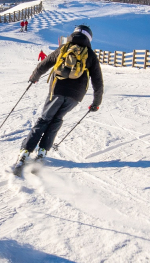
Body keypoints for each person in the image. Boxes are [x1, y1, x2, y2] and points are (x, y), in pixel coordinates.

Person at [15, 24, 103, 169]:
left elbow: (45, 63)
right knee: (56, 120)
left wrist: (34, 77)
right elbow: (98, 81)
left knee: (44, 119)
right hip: (76, 95)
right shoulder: (90, 55)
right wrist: (96, 102)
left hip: (57, 89)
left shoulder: (64, 48)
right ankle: (42, 151)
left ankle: (26, 151)